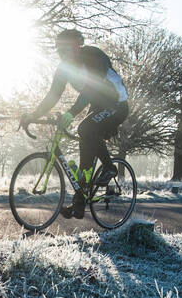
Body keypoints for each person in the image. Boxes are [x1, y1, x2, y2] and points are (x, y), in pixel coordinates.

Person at [20, 28, 129, 218]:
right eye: (59, 50)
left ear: (78, 47)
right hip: (98, 105)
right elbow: (53, 95)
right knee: (85, 149)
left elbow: (90, 89)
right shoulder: (64, 68)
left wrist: (71, 112)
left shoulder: (94, 56)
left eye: (67, 49)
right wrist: (33, 114)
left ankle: (109, 168)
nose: (63, 54)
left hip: (116, 104)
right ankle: (79, 205)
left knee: (84, 127)